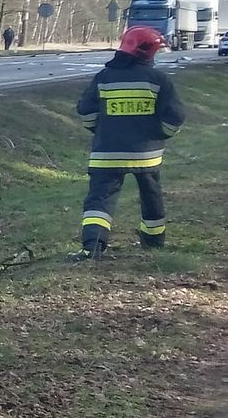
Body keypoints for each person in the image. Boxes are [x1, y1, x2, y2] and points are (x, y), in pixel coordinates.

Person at [75, 25, 185, 257]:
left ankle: (93, 247)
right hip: (147, 155)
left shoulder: (104, 77)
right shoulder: (158, 80)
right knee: (151, 196)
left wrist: (102, 131)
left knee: (100, 199)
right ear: (148, 52)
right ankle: (154, 244)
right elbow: (174, 117)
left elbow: (86, 111)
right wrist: (160, 134)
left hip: (106, 153)